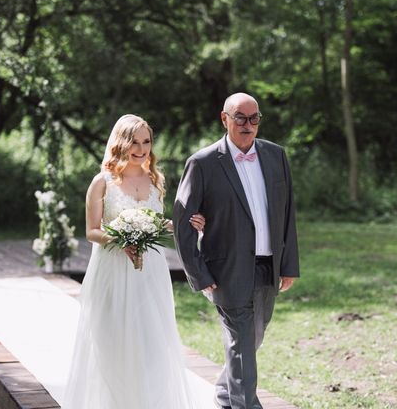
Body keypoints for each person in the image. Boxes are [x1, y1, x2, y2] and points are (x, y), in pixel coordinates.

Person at [63, 114, 208, 409]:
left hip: (150, 272)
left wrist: (189, 223)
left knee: (152, 341)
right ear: (121, 143)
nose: (141, 149)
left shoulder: (156, 179)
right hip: (113, 270)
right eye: (134, 142)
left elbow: (158, 223)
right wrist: (122, 239)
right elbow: (91, 231)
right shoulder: (102, 182)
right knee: (113, 342)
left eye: (146, 141)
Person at [173, 93, 300, 409]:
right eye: (240, 117)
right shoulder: (202, 163)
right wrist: (198, 274)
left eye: (254, 118)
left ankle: (224, 394)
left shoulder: (275, 156)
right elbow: (182, 224)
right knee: (242, 344)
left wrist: (289, 264)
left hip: (268, 265)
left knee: (251, 339)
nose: (248, 124)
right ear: (224, 118)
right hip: (225, 270)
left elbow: (287, 214)